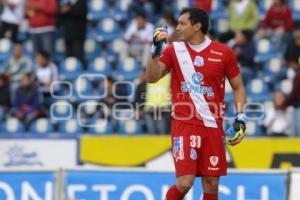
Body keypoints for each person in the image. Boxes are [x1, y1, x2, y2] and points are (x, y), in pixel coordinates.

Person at [147, 8, 247, 200]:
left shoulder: (223, 53)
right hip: (184, 124)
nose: (177, 28)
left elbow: (239, 87)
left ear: (197, 26)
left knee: (211, 183)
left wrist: (240, 117)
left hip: (212, 125)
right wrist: (154, 53)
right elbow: (152, 78)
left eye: (182, 23)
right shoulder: (174, 50)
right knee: (185, 182)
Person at [59, 0, 87, 68]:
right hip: (68, 36)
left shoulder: (82, 3)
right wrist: (62, 11)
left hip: (78, 36)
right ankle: (69, 74)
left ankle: (81, 72)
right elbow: (61, 18)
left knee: (79, 56)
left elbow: (81, 13)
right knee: (68, 57)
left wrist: (69, 9)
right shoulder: (67, 4)